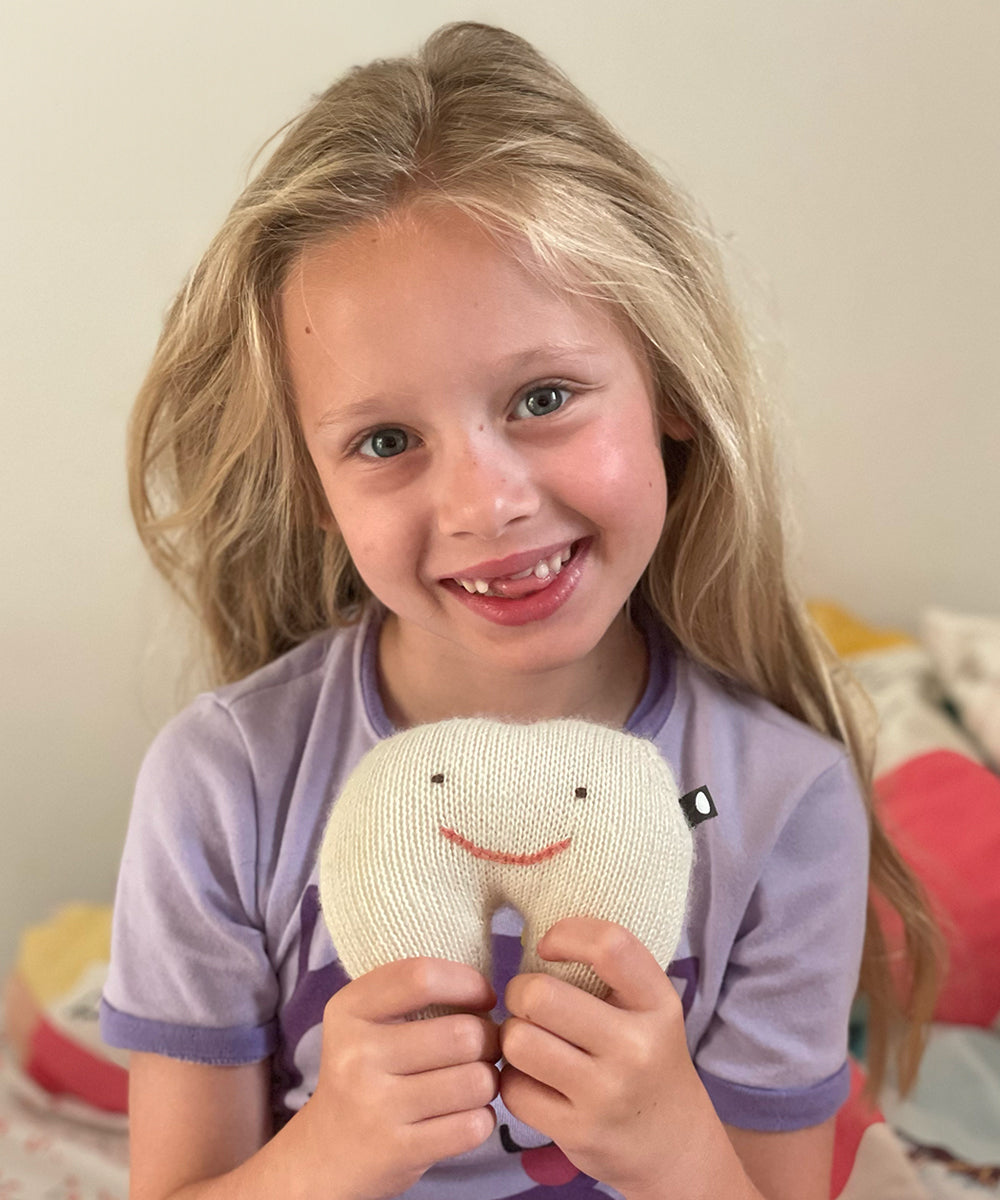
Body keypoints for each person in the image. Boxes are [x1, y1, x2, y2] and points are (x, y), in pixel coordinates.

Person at [100, 21, 940, 1200]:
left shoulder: (780, 803)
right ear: (312, 487)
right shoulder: (223, 784)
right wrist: (332, 1151)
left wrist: (671, 1145)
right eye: (384, 440)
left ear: (669, 387)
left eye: (543, 397)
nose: (484, 503)